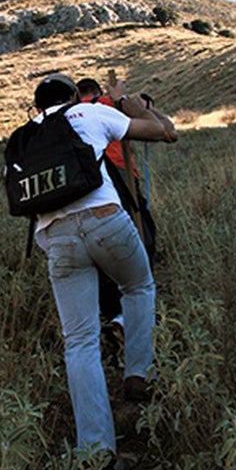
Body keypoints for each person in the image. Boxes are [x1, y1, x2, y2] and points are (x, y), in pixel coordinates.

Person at [28, 73, 178, 470]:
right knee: (138, 285)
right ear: (74, 96)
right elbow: (162, 131)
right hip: (105, 220)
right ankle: (139, 373)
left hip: (56, 238)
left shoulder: (26, 133)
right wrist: (122, 98)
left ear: (37, 105)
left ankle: (95, 454)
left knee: (78, 342)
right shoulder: (90, 113)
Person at [77, 78, 162, 358]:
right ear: (97, 91)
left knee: (102, 256)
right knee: (142, 239)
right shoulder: (107, 105)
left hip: (88, 189)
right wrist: (130, 100)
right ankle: (136, 318)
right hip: (123, 178)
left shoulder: (71, 115)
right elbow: (160, 126)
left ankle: (114, 317)